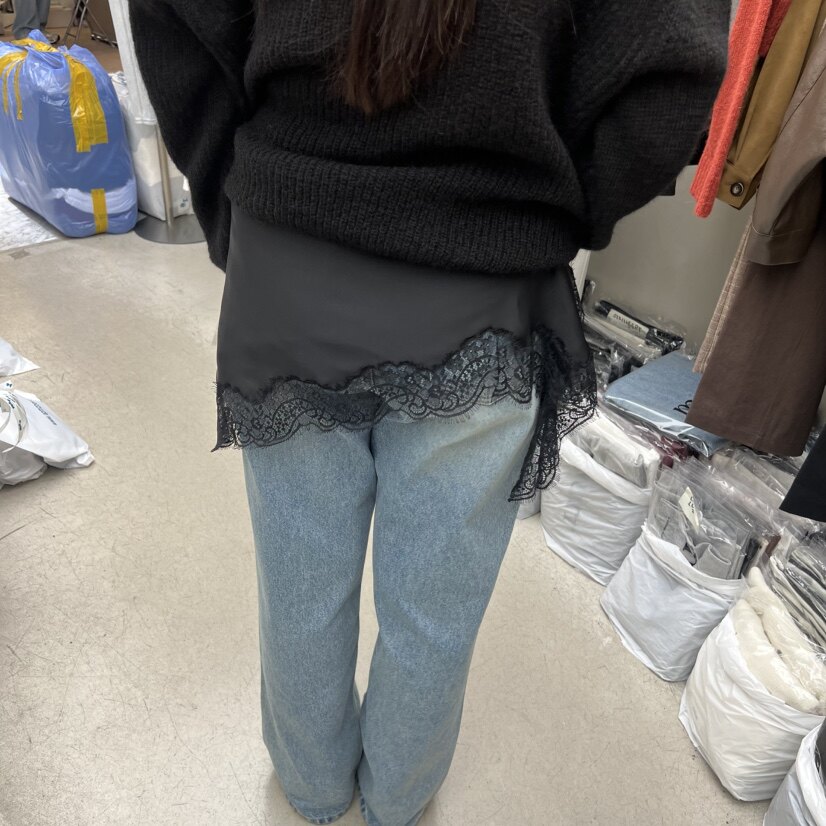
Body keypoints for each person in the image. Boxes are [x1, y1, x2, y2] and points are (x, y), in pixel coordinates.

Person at [128, 1, 729, 823]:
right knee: (435, 610)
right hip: (484, 285)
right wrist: (556, 206)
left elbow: (177, 21)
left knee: (300, 585)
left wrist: (236, 196)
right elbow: (673, 66)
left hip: (289, 271)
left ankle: (310, 786)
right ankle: (399, 798)